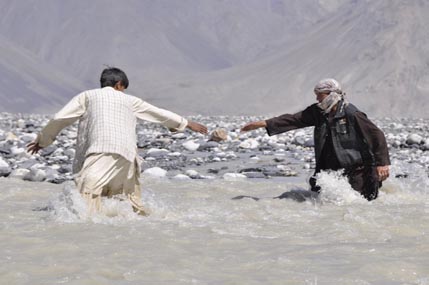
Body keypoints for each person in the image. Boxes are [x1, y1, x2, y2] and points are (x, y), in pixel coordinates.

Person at [27, 67, 207, 214]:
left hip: (102, 150)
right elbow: (158, 113)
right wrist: (186, 123)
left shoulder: (87, 96)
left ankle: (89, 235)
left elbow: (60, 118)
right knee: (124, 201)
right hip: (128, 156)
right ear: (119, 85)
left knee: (86, 198)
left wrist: (43, 141)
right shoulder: (130, 100)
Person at [240, 78, 390, 201]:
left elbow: (377, 135)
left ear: (331, 94)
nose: (317, 98)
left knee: (361, 203)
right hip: (331, 168)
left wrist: (382, 164)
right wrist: (264, 124)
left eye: (320, 95)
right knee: (324, 201)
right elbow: (294, 120)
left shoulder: (351, 114)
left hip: (359, 170)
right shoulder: (318, 112)